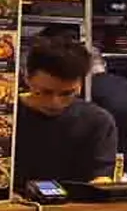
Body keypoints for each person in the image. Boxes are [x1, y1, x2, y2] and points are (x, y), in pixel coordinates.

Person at [35, 26, 127, 170]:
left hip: (107, 156)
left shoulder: (89, 90)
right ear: (104, 64)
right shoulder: (125, 83)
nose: (56, 101)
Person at [13, 36, 119, 191]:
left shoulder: (97, 121)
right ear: (26, 78)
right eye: (45, 92)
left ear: (81, 84)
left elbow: (101, 178)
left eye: (67, 93)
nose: (55, 102)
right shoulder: (3, 118)